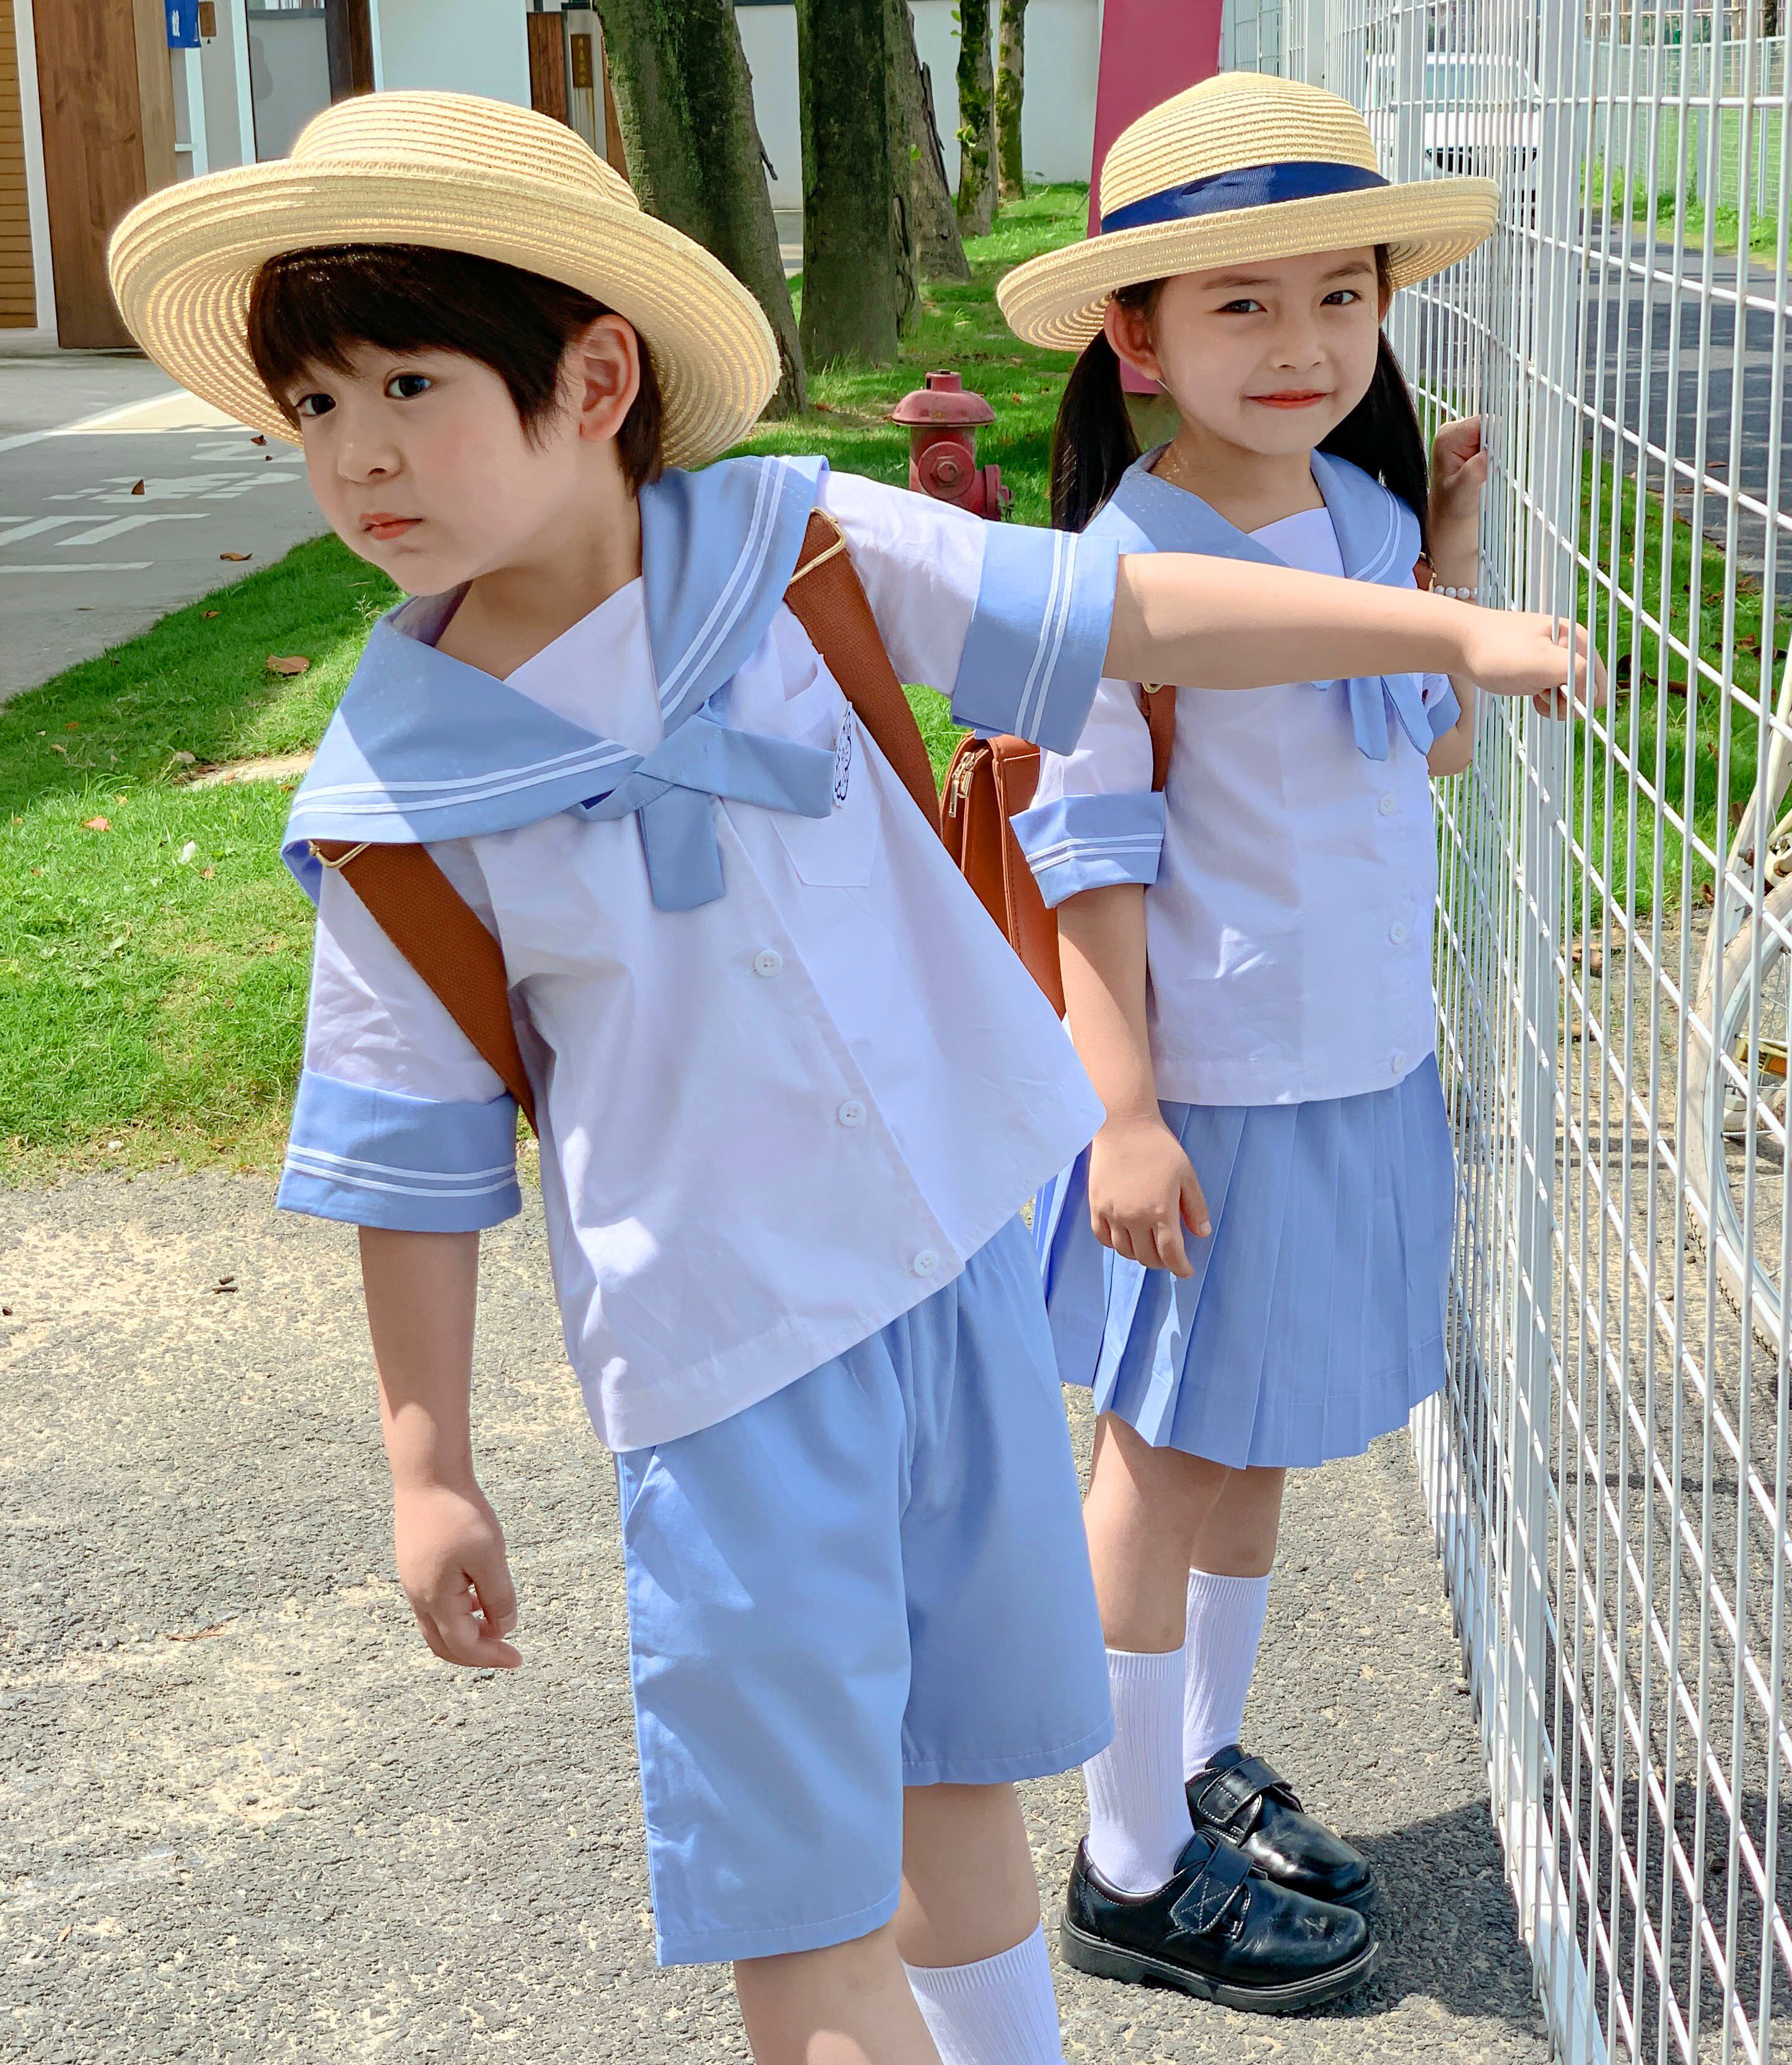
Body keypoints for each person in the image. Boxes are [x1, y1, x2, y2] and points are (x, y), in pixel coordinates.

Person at [108, 90, 1599, 2064]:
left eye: (408, 383)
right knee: (804, 1899)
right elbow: (411, 1153)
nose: (358, 453)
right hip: (729, 1375)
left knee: (960, 1789)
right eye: (314, 405)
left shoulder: (792, 549)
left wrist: (1441, 626)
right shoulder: (395, 803)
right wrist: (428, 1466)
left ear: (596, 377)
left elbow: (1123, 613)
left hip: (952, 1278)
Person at [998, 71, 1586, 2011]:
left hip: (1358, 1065)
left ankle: (1194, 1764)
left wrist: (1447, 560)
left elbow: (1431, 741)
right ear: (1136, 335)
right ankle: (1124, 1864)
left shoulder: (1360, 508)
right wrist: (1126, 1114)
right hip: (1210, 1096)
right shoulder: (1117, 574)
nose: (1304, 343)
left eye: (1341, 295)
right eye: (1241, 304)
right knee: (1162, 1459)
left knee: (1253, 1447)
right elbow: (1086, 861)